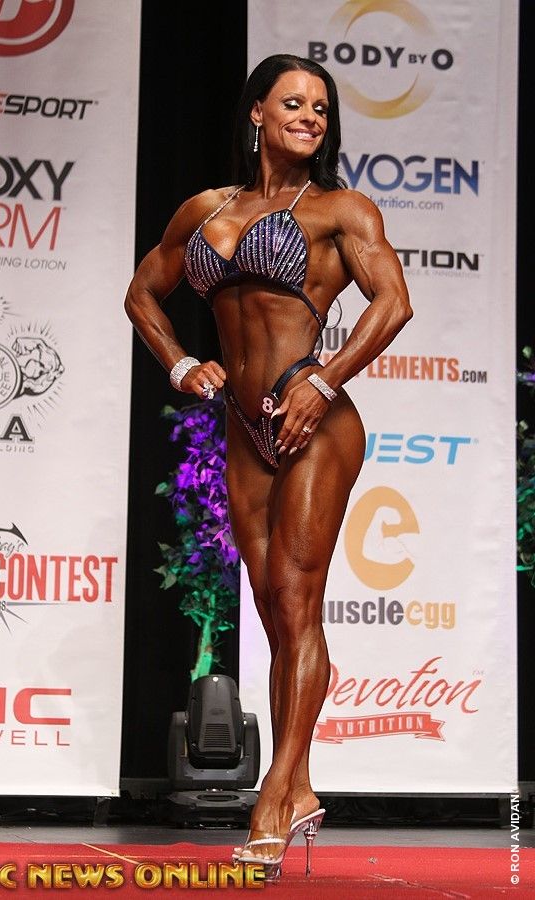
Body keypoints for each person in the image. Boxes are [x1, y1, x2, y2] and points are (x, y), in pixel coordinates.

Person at [124, 53, 412, 879]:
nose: (310, 117)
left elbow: (394, 302)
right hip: (242, 427)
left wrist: (324, 380)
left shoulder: (340, 209)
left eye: (321, 108)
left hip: (314, 421)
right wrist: (183, 363)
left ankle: (274, 794)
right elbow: (143, 294)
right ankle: (302, 786)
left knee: (295, 598)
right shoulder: (205, 209)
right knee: (278, 615)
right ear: (257, 112)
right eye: (294, 103)